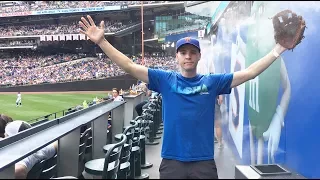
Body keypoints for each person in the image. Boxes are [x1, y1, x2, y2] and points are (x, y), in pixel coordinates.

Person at [79, 15, 287, 179]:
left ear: (199, 56)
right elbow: (129, 65)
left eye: (192, 52)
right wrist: (102, 42)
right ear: (177, 56)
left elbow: (249, 72)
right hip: (172, 162)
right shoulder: (165, 80)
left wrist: (278, 49)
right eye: (183, 52)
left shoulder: (213, 82)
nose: (188, 56)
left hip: (204, 162)